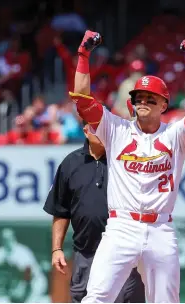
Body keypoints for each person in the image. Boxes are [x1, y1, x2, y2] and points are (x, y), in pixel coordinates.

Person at [68, 30, 185, 303]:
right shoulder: (115, 129)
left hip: (160, 229)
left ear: (164, 104)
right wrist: (84, 55)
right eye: (138, 98)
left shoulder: (176, 135)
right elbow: (82, 98)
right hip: (121, 226)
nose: (143, 102)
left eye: (150, 98)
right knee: (96, 298)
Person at [43, 121, 145, 303]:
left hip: (123, 252)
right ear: (86, 130)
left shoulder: (125, 160)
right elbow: (60, 210)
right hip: (86, 252)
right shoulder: (70, 163)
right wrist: (56, 248)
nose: (102, 130)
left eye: (105, 126)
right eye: (96, 126)